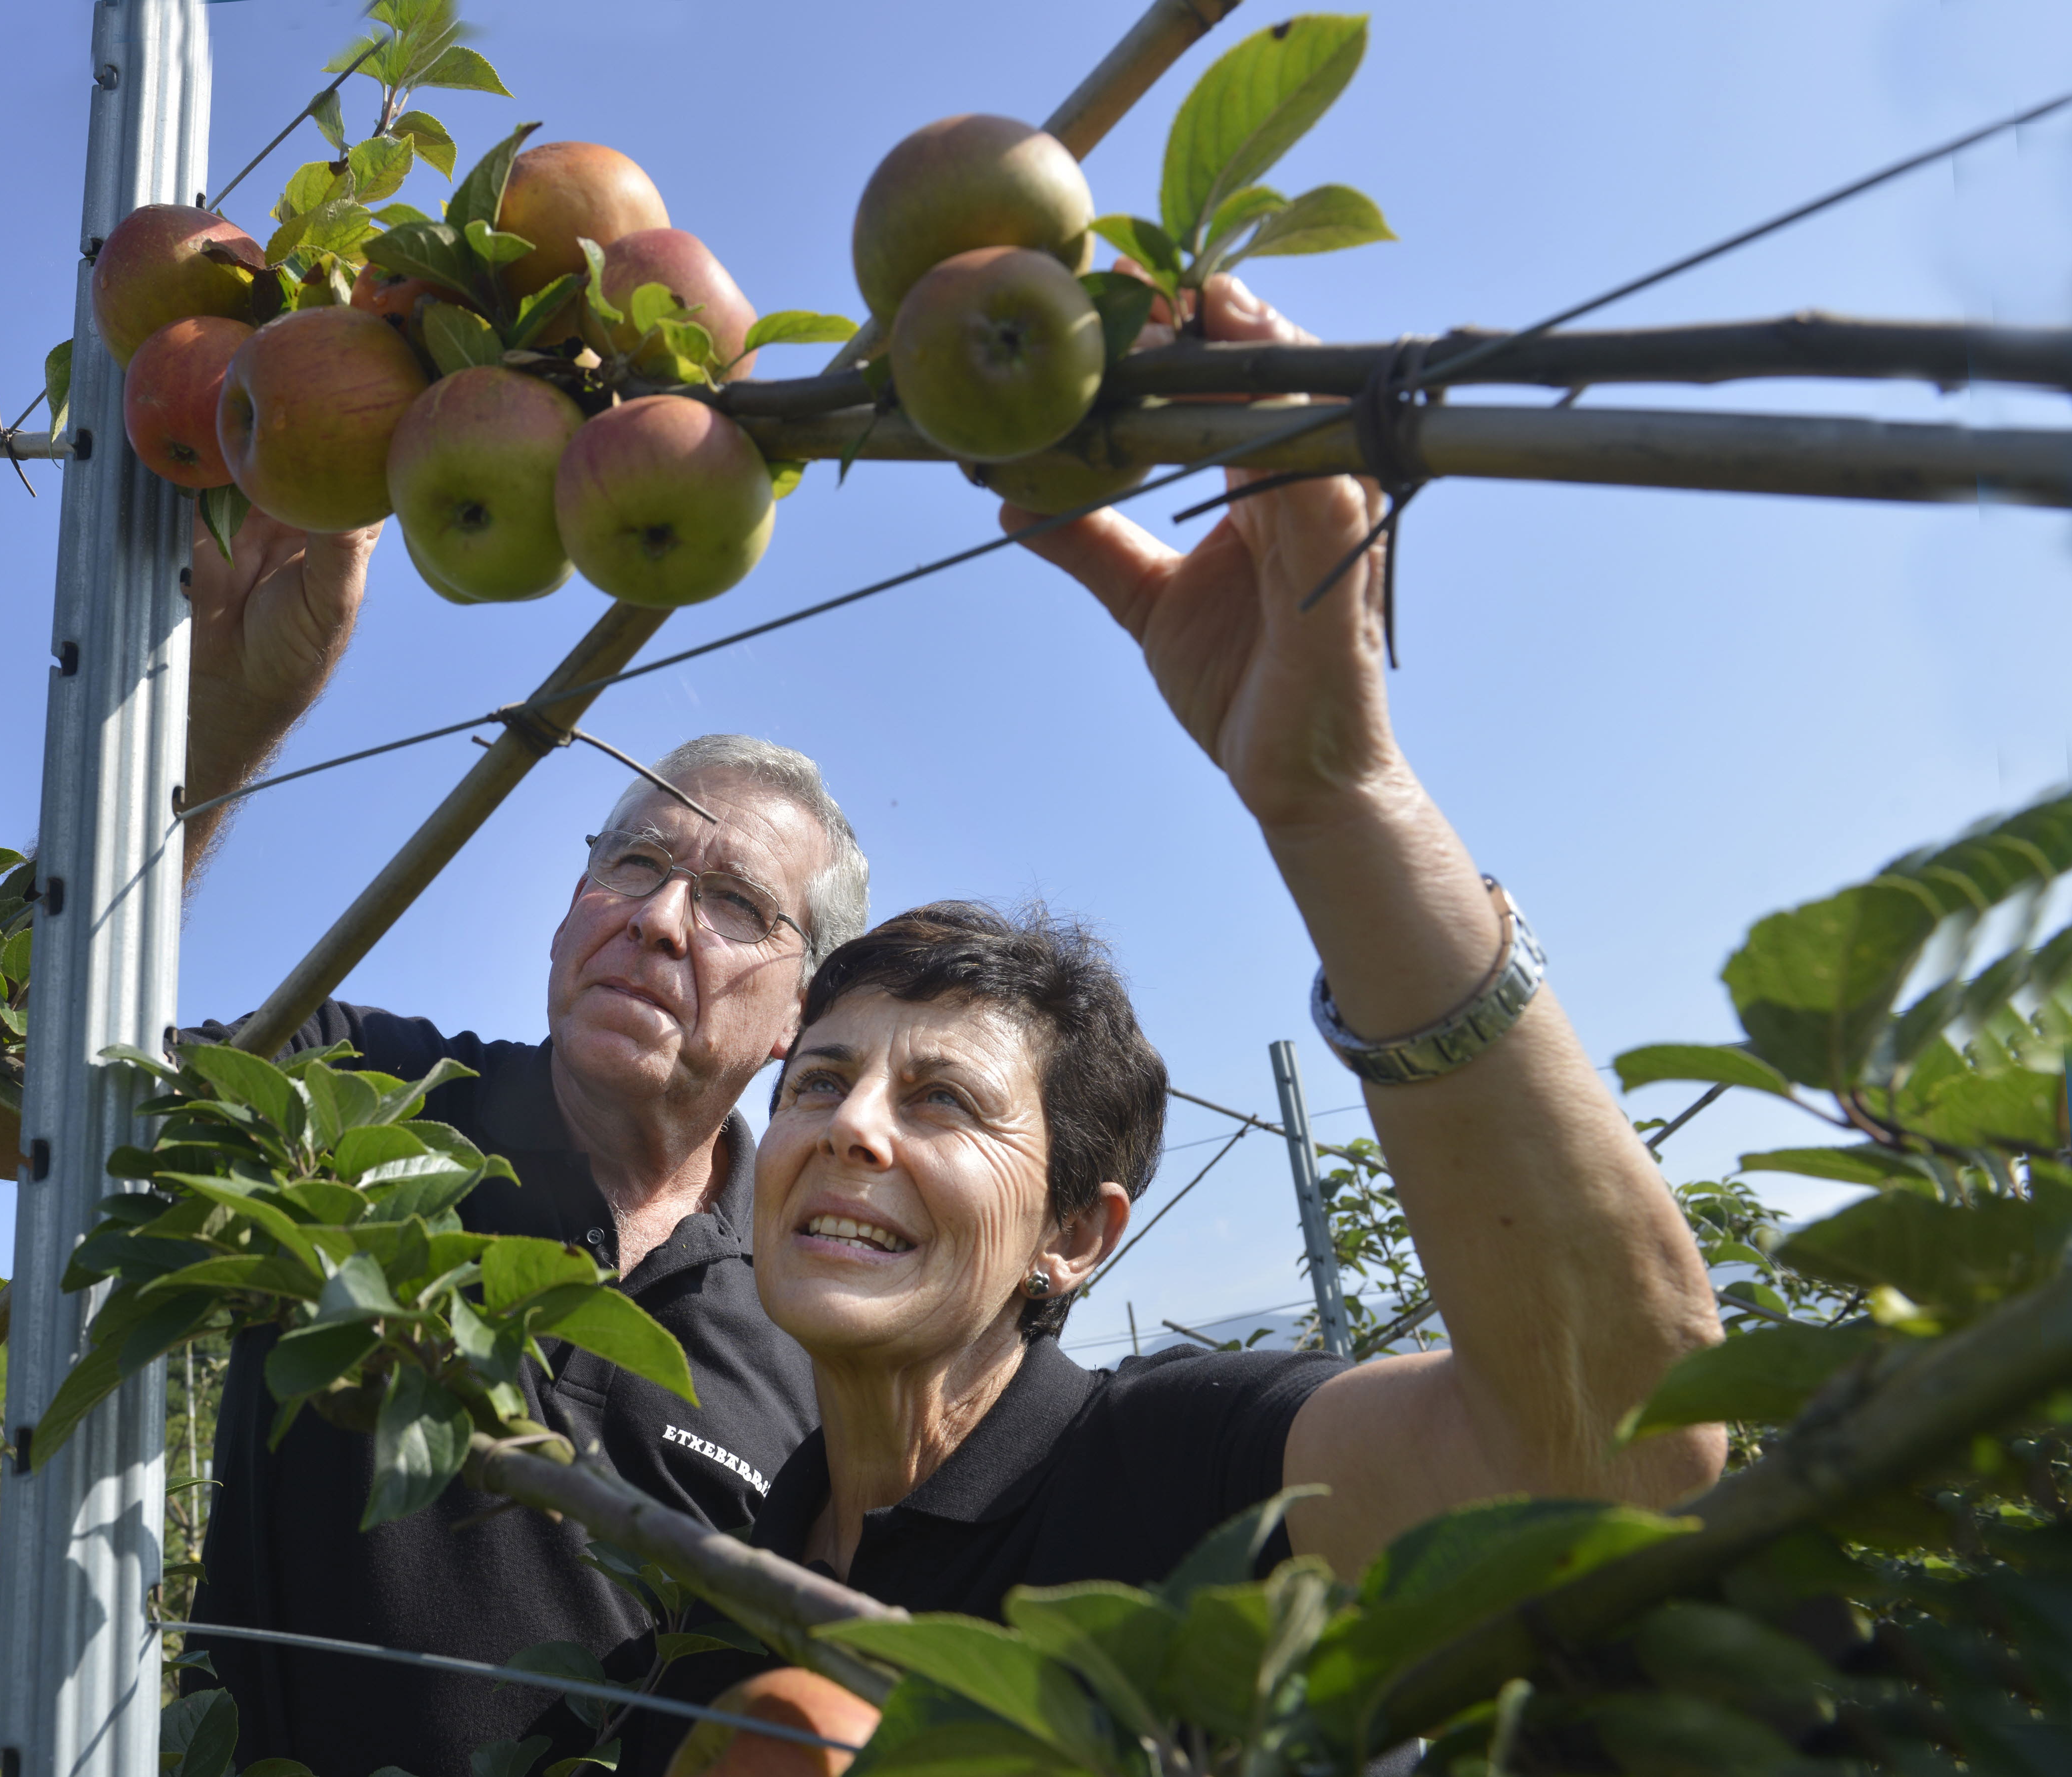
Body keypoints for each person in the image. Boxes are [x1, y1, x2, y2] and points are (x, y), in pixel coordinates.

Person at [623, 273, 1726, 1771]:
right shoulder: (733, 1576)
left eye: (943, 1100)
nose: (849, 1127)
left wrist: (1337, 803)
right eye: (818, 1080)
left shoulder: (1178, 1473)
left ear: (1077, 1235)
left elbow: (1612, 1460)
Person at [177, 517, 870, 1777]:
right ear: (570, 909)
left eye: (733, 903)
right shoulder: (360, 1094)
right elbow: (13, 1106)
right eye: (634, 863)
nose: (660, 920)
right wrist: (215, 732)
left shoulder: (809, 1322)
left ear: (799, 1017)